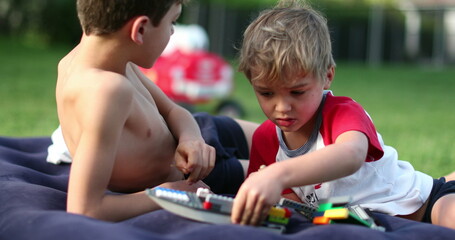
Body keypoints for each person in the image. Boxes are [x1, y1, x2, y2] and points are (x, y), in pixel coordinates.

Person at [231, 0, 455, 230]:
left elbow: (350, 155)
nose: (282, 107)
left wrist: (277, 174)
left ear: (327, 76)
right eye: (266, 93)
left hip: (424, 204)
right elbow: (295, 211)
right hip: (372, 226)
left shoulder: (342, 112)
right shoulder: (264, 140)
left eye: (297, 92)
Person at [57, 0, 258, 222]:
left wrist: (191, 138)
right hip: (195, 176)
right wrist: (170, 194)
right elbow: (85, 209)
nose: (172, 31)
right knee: (287, 175)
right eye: (172, 22)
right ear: (140, 29)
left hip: (198, 132)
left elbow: (173, 110)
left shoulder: (116, 60)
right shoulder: (106, 92)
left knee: (288, 139)